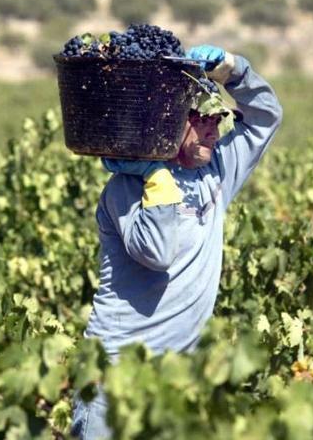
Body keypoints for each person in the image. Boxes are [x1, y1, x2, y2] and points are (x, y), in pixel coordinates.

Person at [71, 44, 283, 439]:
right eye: (201, 119)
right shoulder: (127, 188)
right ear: (168, 122)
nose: (214, 129)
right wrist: (157, 176)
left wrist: (234, 70)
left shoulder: (216, 171)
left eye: (217, 119)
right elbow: (156, 252)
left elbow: (266, 118)